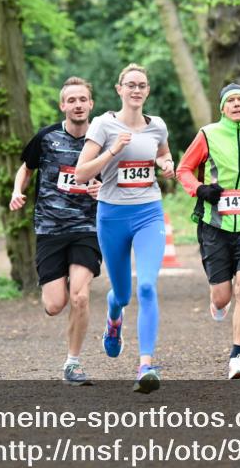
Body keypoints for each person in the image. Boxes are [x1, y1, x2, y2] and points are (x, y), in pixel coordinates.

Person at [75, 63, 175, 394]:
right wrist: (112, 151)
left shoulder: (157, 126)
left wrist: (166, 163)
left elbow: (162, 153)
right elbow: (81, 174)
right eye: (130, 84)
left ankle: (146, 365)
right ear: (119, 89)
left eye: (142, 85)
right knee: (122, 293)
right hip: (113, 215)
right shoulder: (104, 125)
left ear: (147, 91)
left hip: (149, 212)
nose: (136, 90)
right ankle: (114, 317)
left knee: (146, 287)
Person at [9, 76, 103, 385]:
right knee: (54, 305)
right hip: (50, 228)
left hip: (87, 227)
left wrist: (102, 189)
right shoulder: (46, 137)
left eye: (82, 100)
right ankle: (59, 276)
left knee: (80, 297)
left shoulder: (102, 140)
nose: (77, 105)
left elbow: (116, 180)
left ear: (91, 104)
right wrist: (16, 192)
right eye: (71, 100)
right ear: (63, 105)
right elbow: (26, 167)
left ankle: (73, 363)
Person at [176, 83, 240, 379]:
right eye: (231, 100)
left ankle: (236, 358)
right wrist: (200, 189)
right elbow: (183, 170)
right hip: (214, 224)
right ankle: (217, 301)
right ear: (223, 108)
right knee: (222, 297)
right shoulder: (208, 134)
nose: (237, 104)